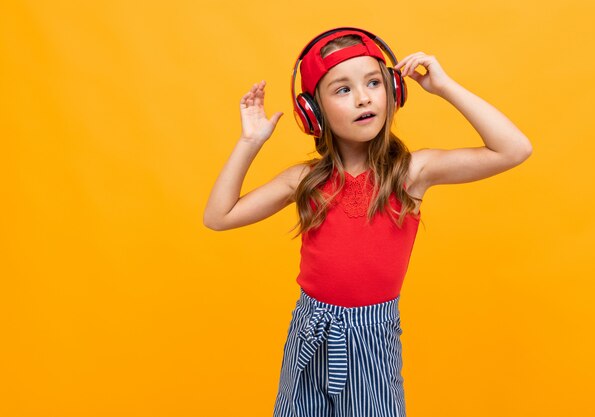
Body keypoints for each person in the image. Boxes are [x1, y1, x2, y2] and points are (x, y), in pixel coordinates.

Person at [204, 27, 532, 417]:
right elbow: (218, 217)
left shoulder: (411, 173)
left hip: (370, 338)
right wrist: (249, 143)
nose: (363, 97)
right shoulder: (304, 180)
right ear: (313, 112)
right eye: (343, 89)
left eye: (374, 82)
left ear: (394, 90)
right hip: (309, 330)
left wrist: (444, 87)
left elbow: (514, 149)